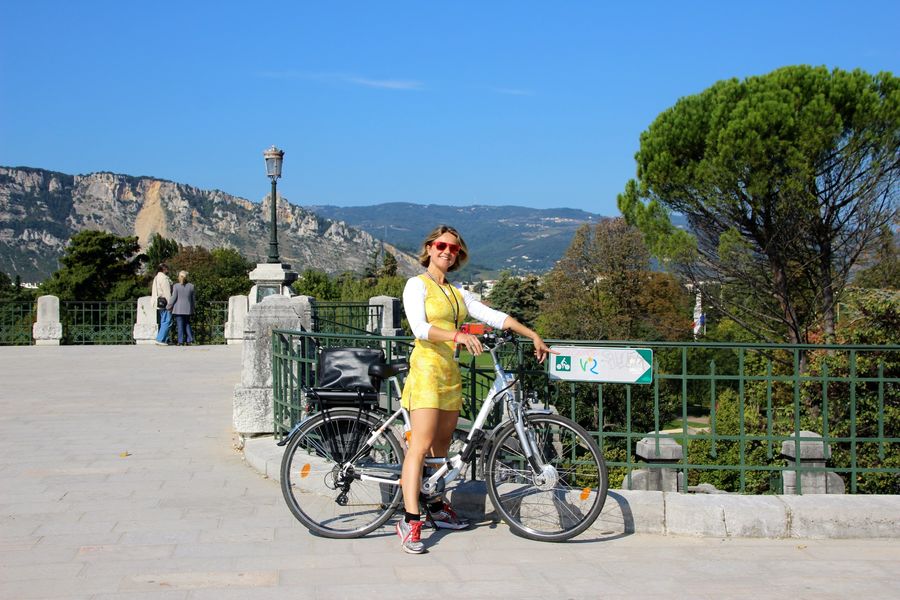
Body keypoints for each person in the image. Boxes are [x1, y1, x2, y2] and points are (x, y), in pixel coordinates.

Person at [396, 224, 552, 554]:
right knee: (421, 446)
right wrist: (457, 336)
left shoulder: (456, 293)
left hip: (449, 373)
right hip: (425, 371)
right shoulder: (416, 285)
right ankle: (410, 520)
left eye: (454, 249)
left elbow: (492, 315)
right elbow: (419, 327)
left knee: (440, 447)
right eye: (441, 245)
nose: (447, 252)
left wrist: (532, 334)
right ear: (429, 247)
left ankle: (435, 507)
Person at [167, 270, 196, 346]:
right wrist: (193, 308)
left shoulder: (176, 286)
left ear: (179, 277)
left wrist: (168, 306)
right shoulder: (191, 286)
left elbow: (174, 298)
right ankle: (190, 340)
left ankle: (180, 341)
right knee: (187, 324)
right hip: (188, 309)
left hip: (178, 309)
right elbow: (193, 300)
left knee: (180, 325)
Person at [151, 263, 172, 346]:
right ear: (164, 269)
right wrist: (170, 304)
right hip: (165, 302)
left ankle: (164, 339)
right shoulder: (164, 278)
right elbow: (167, 292)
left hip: (158, 302)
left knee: (163, 320)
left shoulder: (156, 277)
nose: (168, 270)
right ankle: (160, 339)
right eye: (167, 268)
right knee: (167, 320)